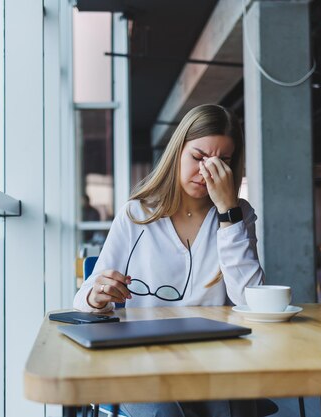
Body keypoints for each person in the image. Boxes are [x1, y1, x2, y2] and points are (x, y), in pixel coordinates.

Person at [73, 104, 264, 417]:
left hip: (215, 356)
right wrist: (96, 296)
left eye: (221, 162)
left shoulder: (237, 215)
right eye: (198, 158)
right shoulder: (137, 214)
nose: (206, 173)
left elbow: (251, 300)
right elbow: (84, 300)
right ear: (178, 152)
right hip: (143, 359)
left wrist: (229, 214)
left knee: (227, 406)